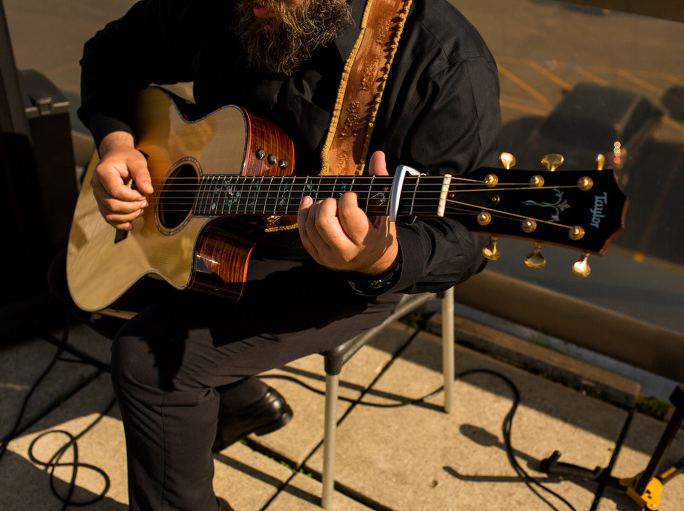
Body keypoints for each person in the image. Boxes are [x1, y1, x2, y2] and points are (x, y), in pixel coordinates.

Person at [54, 0, 501, 508]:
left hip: (341, 268)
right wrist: (117, 143)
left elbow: (465, 236)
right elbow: (111, 52)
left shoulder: (443, 58)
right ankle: (242, 404)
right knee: (75, 281)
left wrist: (379, 259)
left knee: (147, 362)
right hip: (224, 221)